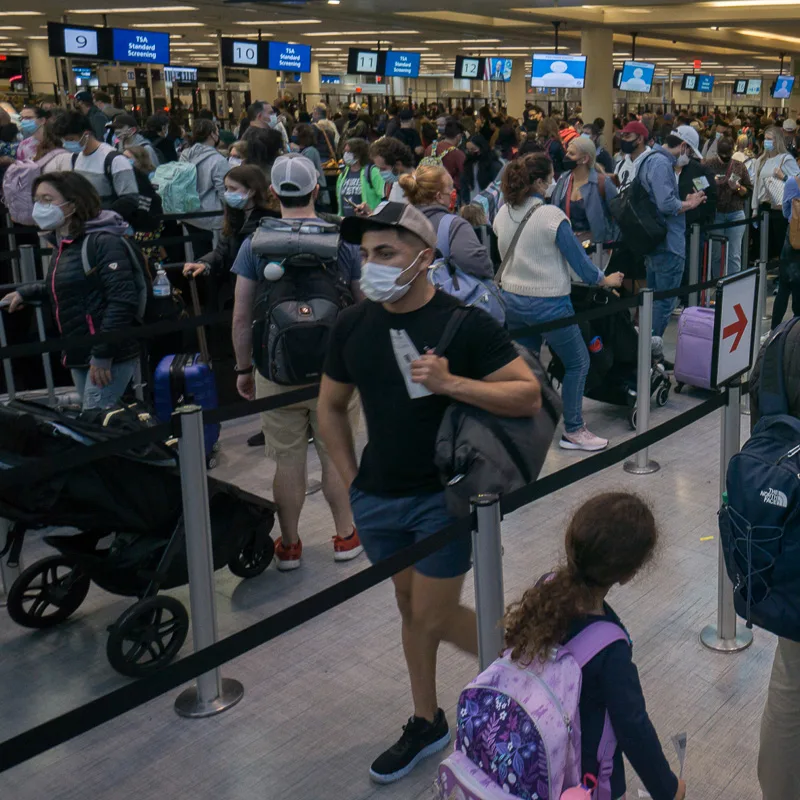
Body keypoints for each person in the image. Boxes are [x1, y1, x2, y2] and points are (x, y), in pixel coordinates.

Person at [318, 200, 540, 785]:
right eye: (365, 254)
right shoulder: (353, 325)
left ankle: (531, 668)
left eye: (385, 252)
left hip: (441, 500)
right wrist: (348, 480)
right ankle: (427, 719)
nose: (371, 265)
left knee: (433, 612)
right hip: (377, 499)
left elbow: (526, 395)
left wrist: (451, 383)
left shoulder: (465, 324)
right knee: (411, 610)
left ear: (424, 257)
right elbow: (330, 406)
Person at [503, 492, 687, 800]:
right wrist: (667, 788)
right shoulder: (610, 648)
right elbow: (634, 729)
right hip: (583, 778)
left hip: (528, 750)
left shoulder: (546, 588)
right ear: (628, 574)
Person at [231, 154, 363, 570]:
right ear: (317, 189)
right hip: (336, 373)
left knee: (286, 460)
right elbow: (364, 304)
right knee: (335, 457)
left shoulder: (255, 243)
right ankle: (345, 536)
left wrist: (242, 369)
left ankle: (289, 546)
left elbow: (240, 313)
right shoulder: (342, 241)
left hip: (276, 370)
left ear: (272, 193)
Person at [495, 153, 623, 452]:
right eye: (550, 177)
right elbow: (579, 261)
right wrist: (605, 279)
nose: (554, 182)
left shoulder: (502, 213)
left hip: (512, 301)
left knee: (527, 363)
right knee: (578, 361)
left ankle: (525, 422)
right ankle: (574, 429)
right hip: (549, 303)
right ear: (539, 182)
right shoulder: (551, 216)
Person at [2, 172, 142, 409]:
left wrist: (103, 353)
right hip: (79, 353)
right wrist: (27, 292)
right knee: (101, 424)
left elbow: (122, 300)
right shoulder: (65, 243)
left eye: (48, 199)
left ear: (74, 203)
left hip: (106, 355)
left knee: (97, 422)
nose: (40, 207)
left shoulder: (102, 241)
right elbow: (65, 285)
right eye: (37, 199)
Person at [636, 126, 707, 337]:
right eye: (690, 153)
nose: (689, 158)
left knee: (654, 300)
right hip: (667, 244)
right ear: (683, 146)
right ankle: (651, 351)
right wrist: (689, 204)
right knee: (664, 303)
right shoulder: (661, 163)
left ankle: (647, 351)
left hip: (654, 241)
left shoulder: (648, 157)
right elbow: (666, 204)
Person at [400, 164, 494, 280]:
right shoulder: (454, 226)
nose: (453, 192)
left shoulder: (401, 224)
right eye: (450, 187)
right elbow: (480, 266)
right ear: (439, 196)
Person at [51, 111, 139, 223]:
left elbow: (130, 200)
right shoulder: (75, 158)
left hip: (109, 227)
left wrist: (102, 218)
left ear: (86, 134)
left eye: (70, 139)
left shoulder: (114, 160)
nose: (65, 144)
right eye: (63, 140)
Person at [550, 136, 618, 251]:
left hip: (597, 249)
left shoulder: (602, 183)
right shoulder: (563, 180)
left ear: (584, 159)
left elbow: (618, 217)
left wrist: (611, 245)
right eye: (567, 152)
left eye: (571, 154)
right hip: (568, 248)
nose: (566, 156)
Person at [179, 118, 231, 256]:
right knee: (212, 255)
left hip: (188, 213)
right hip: (210, 216)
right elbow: (224, 191)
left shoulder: (185, 155)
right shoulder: (218, 160)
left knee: (195, 253)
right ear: (212, 134)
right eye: (217, 131)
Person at [704, 136, 752, 276]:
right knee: (716, 254)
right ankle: (717, 284)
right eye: (722, 155)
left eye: (727, 156)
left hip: (735, 212)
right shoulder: (708, 165)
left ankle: (733, 287)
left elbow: (748, 191)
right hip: (716, 213)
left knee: (734, 254)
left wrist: (737, 188)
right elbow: (699, 185)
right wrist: (711, 184)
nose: (724, 158)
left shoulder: (739, 165)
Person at [753, 125, 800, 262]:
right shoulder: (760, 160)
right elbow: (756, 185)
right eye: (765, 139)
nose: (766, 142)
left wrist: (783, 177)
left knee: (781, 245)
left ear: (777, 140)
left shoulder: (786, 159)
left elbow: (797, 182)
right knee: (765, 246)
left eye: (769, 139)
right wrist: (754, 208)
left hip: (780, 209)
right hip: (764, 207)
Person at [771, 173, 800, 329]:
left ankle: (774, 330)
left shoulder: (792, 182)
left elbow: (785, 212)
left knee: (784, 285)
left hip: (794, 238)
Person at [336, 138, 384, 217]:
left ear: (358, 154)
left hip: (368, 221)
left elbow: (383, 196)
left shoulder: (372, 172)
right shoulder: (343, 174)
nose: (345, 155)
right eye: (345, 152)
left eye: (349, 152)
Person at [422, 119, 466, 195]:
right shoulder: (458, 154)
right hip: (447, 193)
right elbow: (464, 175)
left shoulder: (430, 147)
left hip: (429, 190)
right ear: (458, 136)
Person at [289, 123, 328, 208]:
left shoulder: (310, 151)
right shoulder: (303, 150)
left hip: (317, 196)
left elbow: (303, 169)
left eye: (295, 133)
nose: (292, 136)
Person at [460, 133, 503, 205]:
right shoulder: (469, 164)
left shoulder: (493, 165)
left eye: (473, 149)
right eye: (468, 150)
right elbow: (464, 184)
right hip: (472, 203)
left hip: (489, 202)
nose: (471, 152)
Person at [369, 137, 414, 202]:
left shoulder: (422, 186)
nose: (380, 172)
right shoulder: (392, 185)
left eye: (383, 169)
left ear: (398, 164)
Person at [613, 120, 651, 189]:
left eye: (627, 136)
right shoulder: (620, 165)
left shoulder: (652, 164)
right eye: (622, 136)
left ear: (639, 139)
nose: (623, 139)